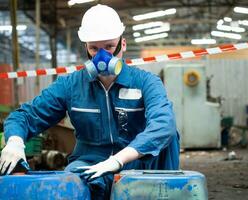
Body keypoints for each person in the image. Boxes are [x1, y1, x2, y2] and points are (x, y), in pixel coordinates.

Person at [0, 4, 180, 199]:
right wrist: (15, 140)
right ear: (86, 47)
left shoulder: (146, 82)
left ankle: (166, 193)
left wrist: (119, 159)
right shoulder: (71, 85)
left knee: (169, 137)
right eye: (94, 48)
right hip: (90, 162)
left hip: (138, 161)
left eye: (110, 47)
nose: (102, 57)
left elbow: (163, 123)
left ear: (123, 44)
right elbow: (25, 116)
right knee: (73, 185)